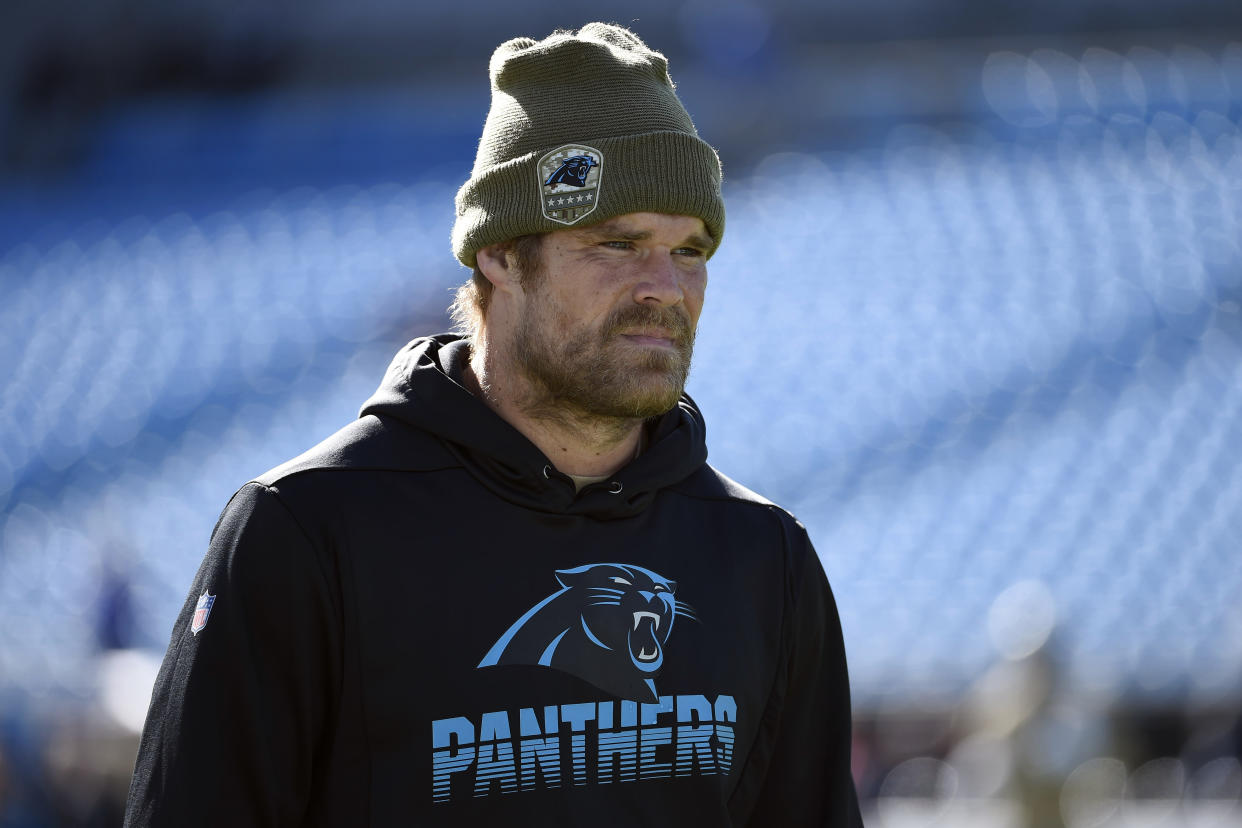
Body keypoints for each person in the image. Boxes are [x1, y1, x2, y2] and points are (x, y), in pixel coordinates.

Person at [124, 22, 863, 827]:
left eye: (690, 251)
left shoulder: (762, 557)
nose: (667, 287)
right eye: (619, 242)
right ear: (501, 257)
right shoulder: (305, 533)